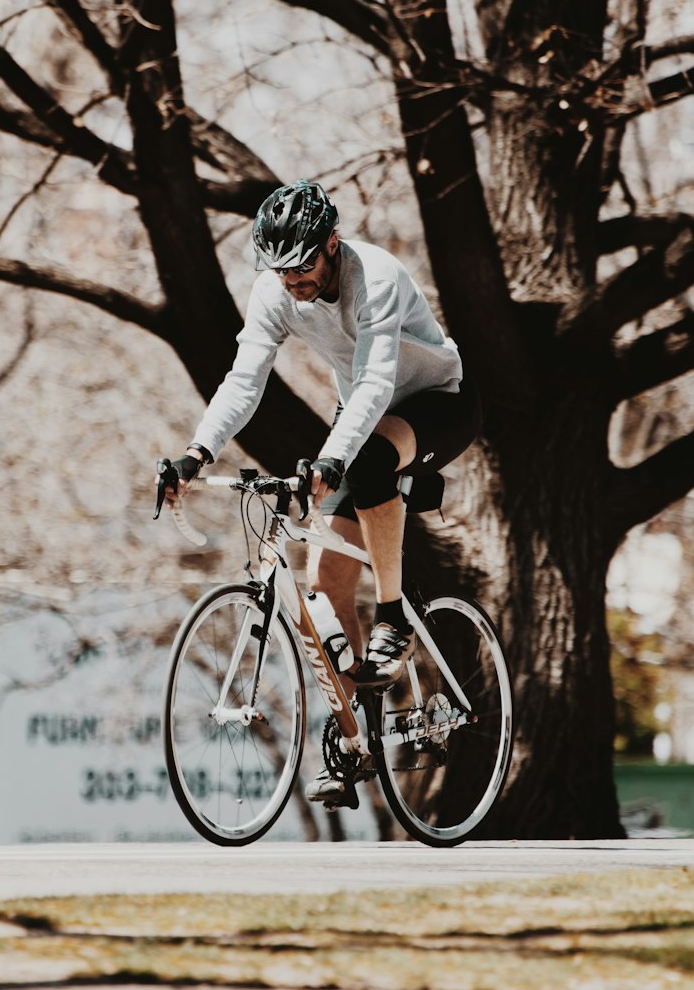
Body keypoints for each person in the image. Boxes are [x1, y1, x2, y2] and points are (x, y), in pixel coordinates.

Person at [159, 179, 482, 803]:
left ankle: (393, 616)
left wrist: (334, 456)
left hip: (437, 402)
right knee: (323, 594)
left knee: (365, 465)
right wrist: (196, 453)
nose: (292, 281)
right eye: (278, 270)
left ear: (332, 243)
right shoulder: (276, 289)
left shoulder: (376, 276)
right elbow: (244, 378)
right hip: (363, 417)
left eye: (303, 265)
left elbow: (375, 381)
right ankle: (354, 744)